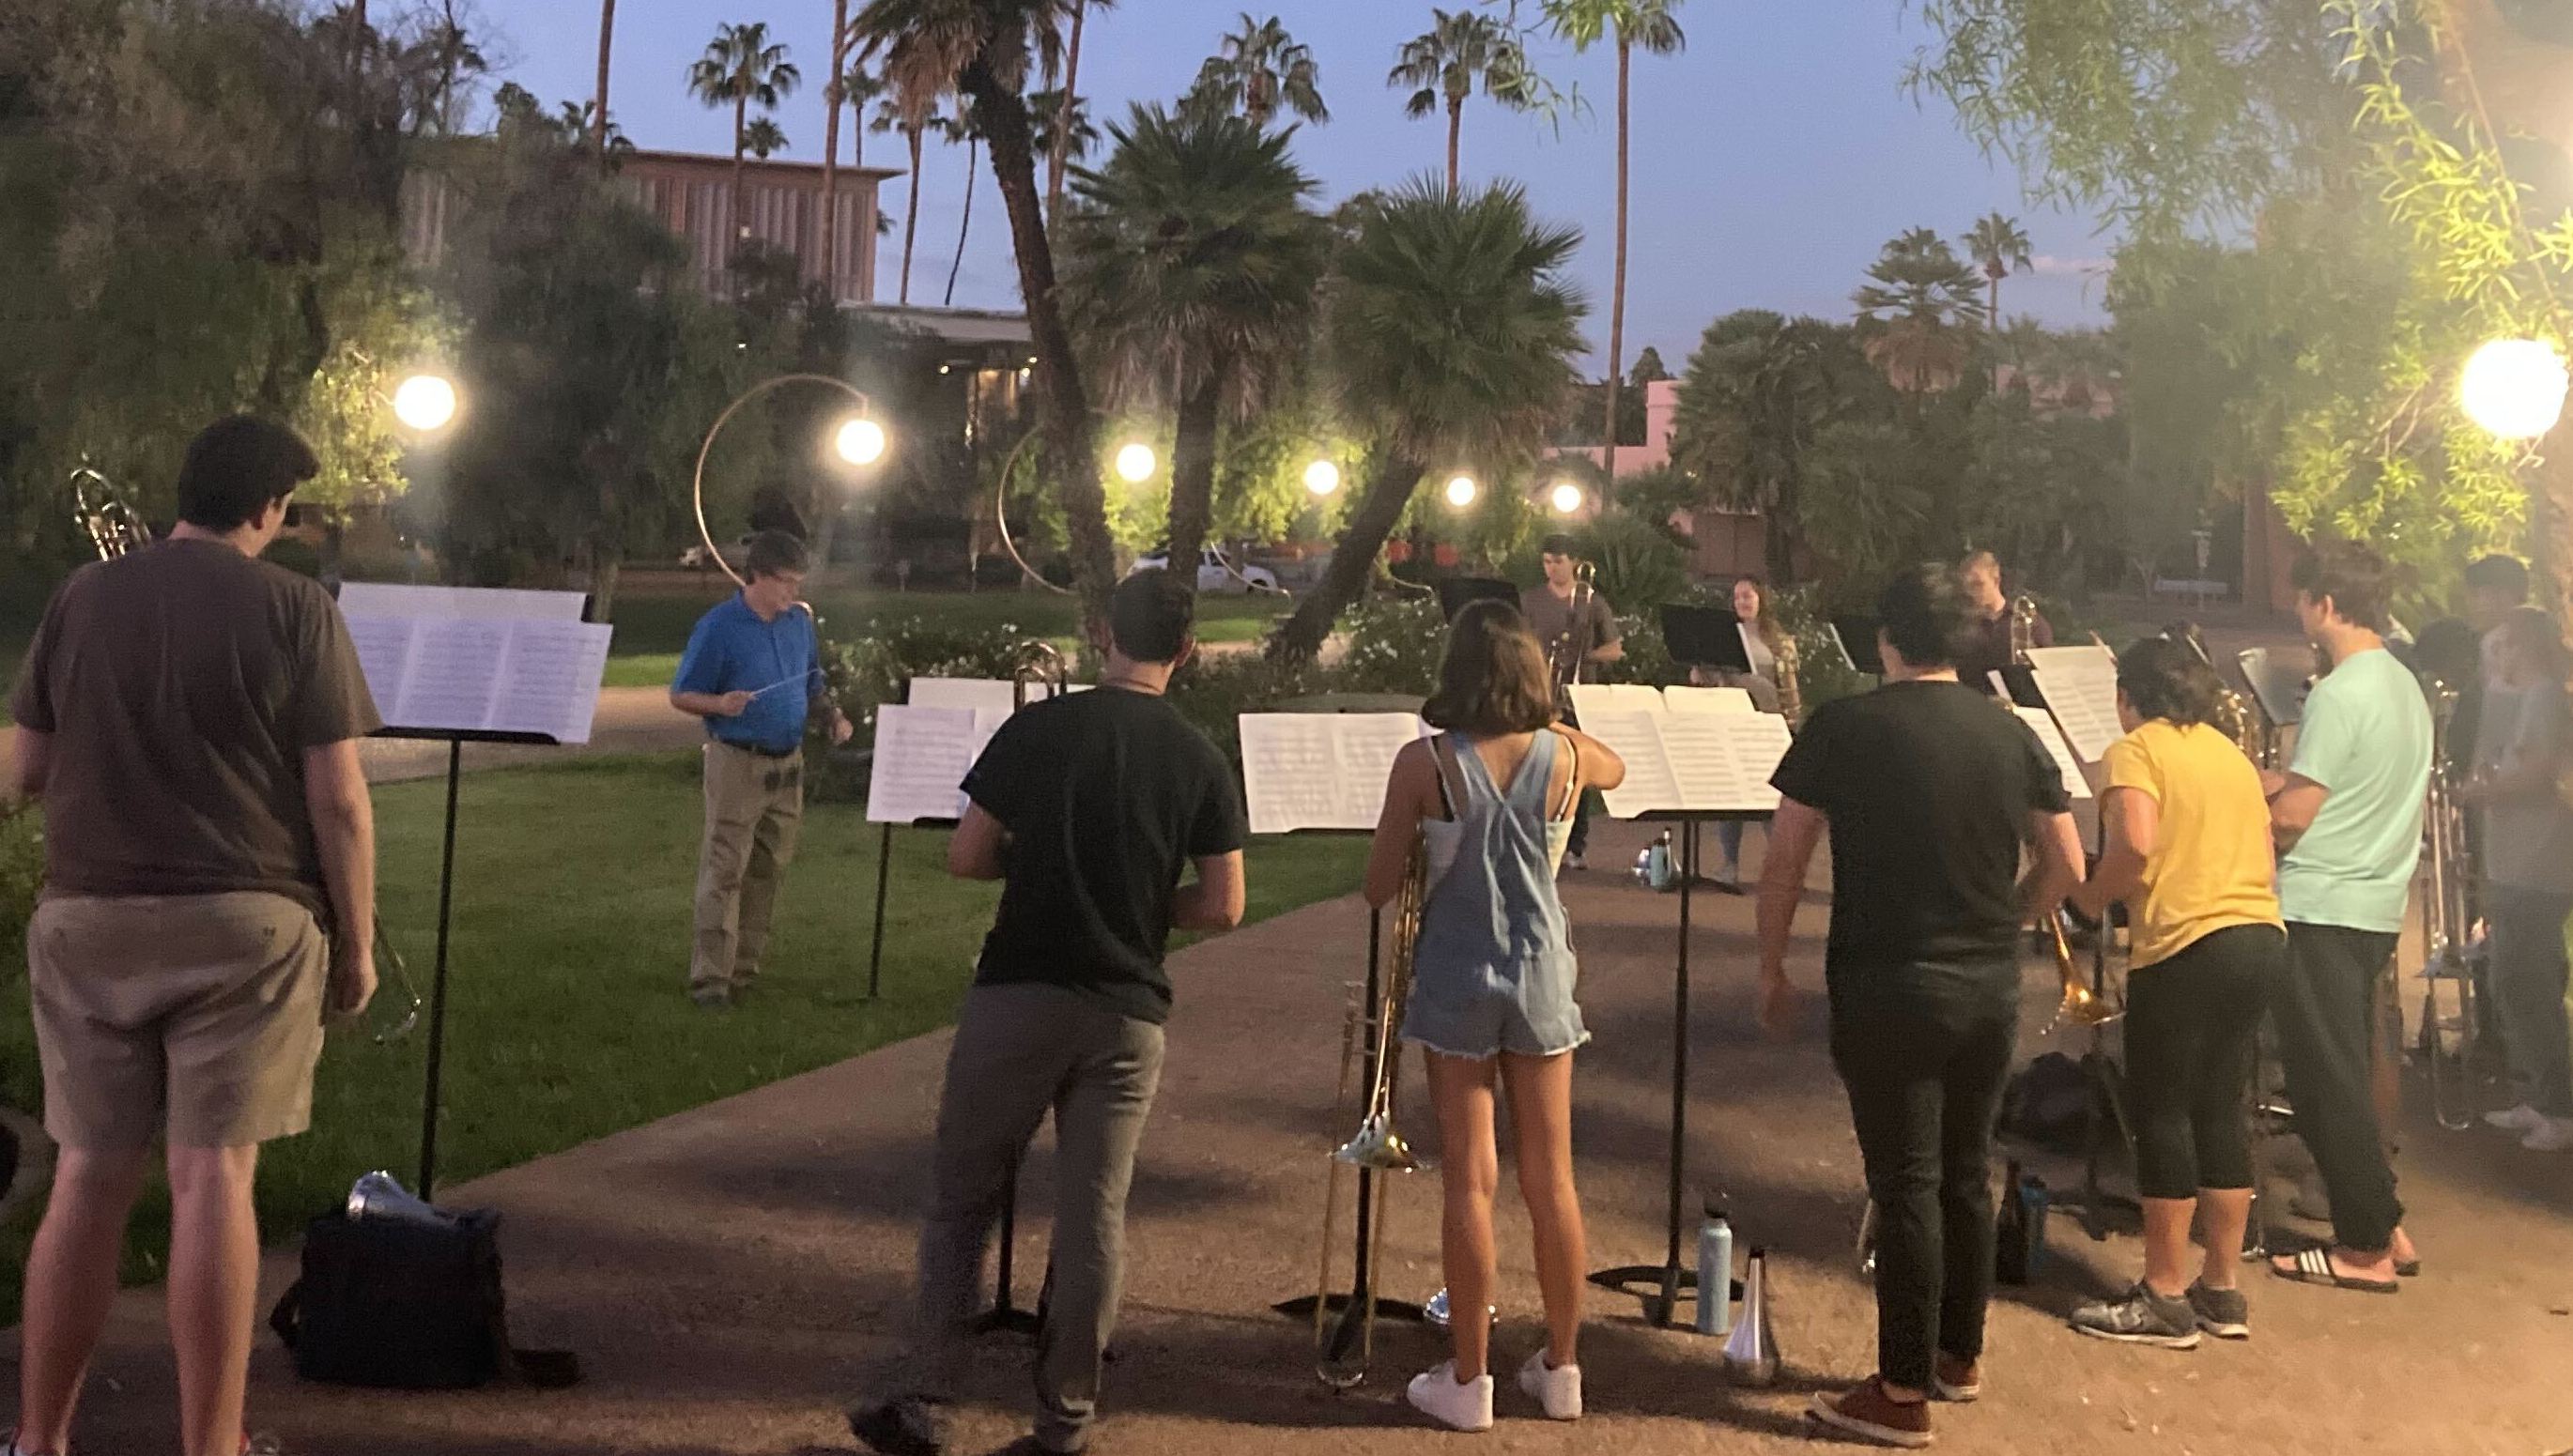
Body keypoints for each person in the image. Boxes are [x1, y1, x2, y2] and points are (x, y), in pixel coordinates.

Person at [5, 417, 381, 1456]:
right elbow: (339, 803)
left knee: (86, 1175)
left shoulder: (83, 597)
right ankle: (210, 1446)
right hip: (244, 928)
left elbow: (21, 771)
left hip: (88, 920)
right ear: (266, 507)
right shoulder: (299, 608)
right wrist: (355, 943)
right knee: (211, 1175)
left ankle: (39, 1440)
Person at [850, 570, 1247, 1456]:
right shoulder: (1197, 756)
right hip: (1127, 1008)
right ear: (1187, 649)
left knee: (964, 1197)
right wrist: (1145, 909)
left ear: (1105, 631)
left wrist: (1034, 872)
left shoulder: (1037, 727)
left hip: (1020, 988)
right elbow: (1224, 904)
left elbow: (965, 855)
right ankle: (1063, 1421)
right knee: (1093, 1214)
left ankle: (924, 1394)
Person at [1757, 563, 2082, 1448]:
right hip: (1986, 984)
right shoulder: (2008, 733)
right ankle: (1955, 1357)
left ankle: (1900, 1394)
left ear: (1885, 640)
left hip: (1887, 980)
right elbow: (2068, 864)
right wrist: (2009, 915)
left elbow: (1785, 856)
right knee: (1967, 1169)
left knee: (1904, 1182)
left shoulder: (1846, 725)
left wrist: (1772, 965)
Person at [1363, 602, 1626, 1433]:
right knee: (1552, 1177)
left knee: (1469, 1178)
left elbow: (1376, 886)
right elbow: (1615, 768)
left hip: (1455, 977)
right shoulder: (1570, 757)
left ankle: (1469, 1378)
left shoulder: (1425, 761)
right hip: (1543, 974)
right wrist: (1558, 725)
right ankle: (1562, 1366)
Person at [2063, 637, 2285, 1347]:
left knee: (2161, 1108)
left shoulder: (2136, 750)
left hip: (2187, 941)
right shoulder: (2228, 753)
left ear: (2128, 695)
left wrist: (2091, 900)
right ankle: (2221, 1287)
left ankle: (2161, 1292)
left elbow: (2135, 842)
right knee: (2220, 1104)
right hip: (2258, 932)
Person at [2263, 540, 2430, 1294]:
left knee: (2322, 1075)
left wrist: (2236, 813)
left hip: (2322, 900)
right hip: (2374, 900)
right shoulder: (2401, 683)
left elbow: (2296, 816)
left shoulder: (2338, 691)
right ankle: (2385, 1222)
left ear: (2325, 603)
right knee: (2347, 1068)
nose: (2297, 612)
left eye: (2301, 599)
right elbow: (2343, 782)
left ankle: (2362, 1247)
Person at [669, 530, 851, 1008]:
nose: (793, 592)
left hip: (786, 765)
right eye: (786, 582)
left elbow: (813, 681)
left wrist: (831, 715)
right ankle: (711, 979)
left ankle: (744, 970)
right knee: (726, 867)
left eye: (798, 583)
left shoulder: (798, 625)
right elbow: (681, 694)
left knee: (768, 868)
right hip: (737, 762)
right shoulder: (720, 627)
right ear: (757, 576)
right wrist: (720, 704)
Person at [2462, 607, 2573, 1152]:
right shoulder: (2525, 699)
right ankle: (2540, 1095)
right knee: (2514, 979)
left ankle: (2560, 1106)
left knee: (2527, 981)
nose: (2495, 657)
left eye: (2502, 646)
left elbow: (2534, 771)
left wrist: (2481, 792)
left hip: (2538, 865)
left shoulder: (2544, 698)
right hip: (2519, 862)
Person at [1518, 535, 1622, 870]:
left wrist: (1583, 656)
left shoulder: (1591, 601)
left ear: (1573, 562)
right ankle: (1533, 838)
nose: (1552, 568)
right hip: (1538, 694)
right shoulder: (1531, 599)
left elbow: (1615, 648)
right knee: (1532, 765)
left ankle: (1575, 844)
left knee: (1575, 770)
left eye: (1558, 561)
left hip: (1576, 697)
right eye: (1547, 561)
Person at [1692, 575, 1803, 885]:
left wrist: (1791, 725)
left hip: (1768, 725)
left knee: (1772, 799)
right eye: (1738, 597)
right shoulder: (1723, 637)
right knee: (1733, 799)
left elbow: (1789, 689)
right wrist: (1702, 674)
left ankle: (1783, 869)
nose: (1742, 601)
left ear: (1761, 599)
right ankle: (1729, 865)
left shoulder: (1779, 641)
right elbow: (1714, 682)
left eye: (1748, 596)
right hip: (1732, 724)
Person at [1954, 549, 2054, 695]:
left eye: (1978, 584)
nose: (1971, 592)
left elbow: (2048, 671)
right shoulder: (1962, 626)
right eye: (1968, 586)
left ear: (1996, 580)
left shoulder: (2029, 622)